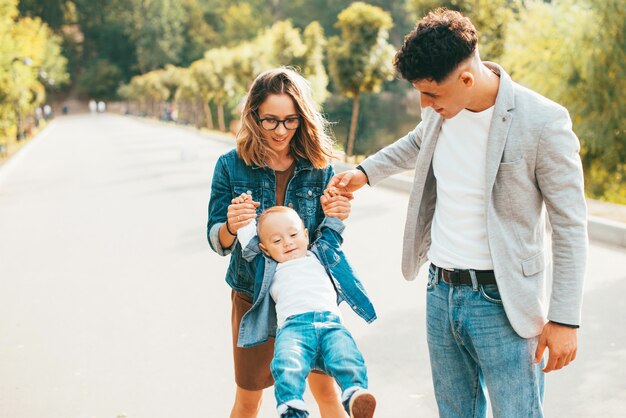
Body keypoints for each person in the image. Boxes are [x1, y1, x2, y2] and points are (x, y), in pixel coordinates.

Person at [327, 8, 588, 418]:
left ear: (466, 79)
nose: (423, 104)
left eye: (431, 94)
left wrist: (565, 320)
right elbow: (416, 143)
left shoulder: (543, 122)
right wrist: (364, 172)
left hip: (503, 304)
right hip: (440, 292)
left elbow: (570, 226)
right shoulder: (438, 110)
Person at [207, 67, 354, 418]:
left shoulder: (319, 167)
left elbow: (323, 241)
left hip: (308, 297)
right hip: (253, 299)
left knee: (327, 395)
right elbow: (217, 239)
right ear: (253, 115)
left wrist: (338, 213)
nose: (280, 131)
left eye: (290, 121)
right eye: (270, 121)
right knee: (249, 400)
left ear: (302, 119)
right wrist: (231, 224)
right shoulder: (230, 165)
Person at [234, 200, 377, 418]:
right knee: (287, 363)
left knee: (346, 356)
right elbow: (248, 242)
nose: (287, 243)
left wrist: (336, 198)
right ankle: (291, 406)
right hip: (294, 329)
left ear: (306, 235)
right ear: (265, 248)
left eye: (293, 235)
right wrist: (243, 211)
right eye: (276, 240)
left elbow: (332, 228)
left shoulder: (322, 254)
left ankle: (355, 393)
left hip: (331, 325)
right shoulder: (269, 265)